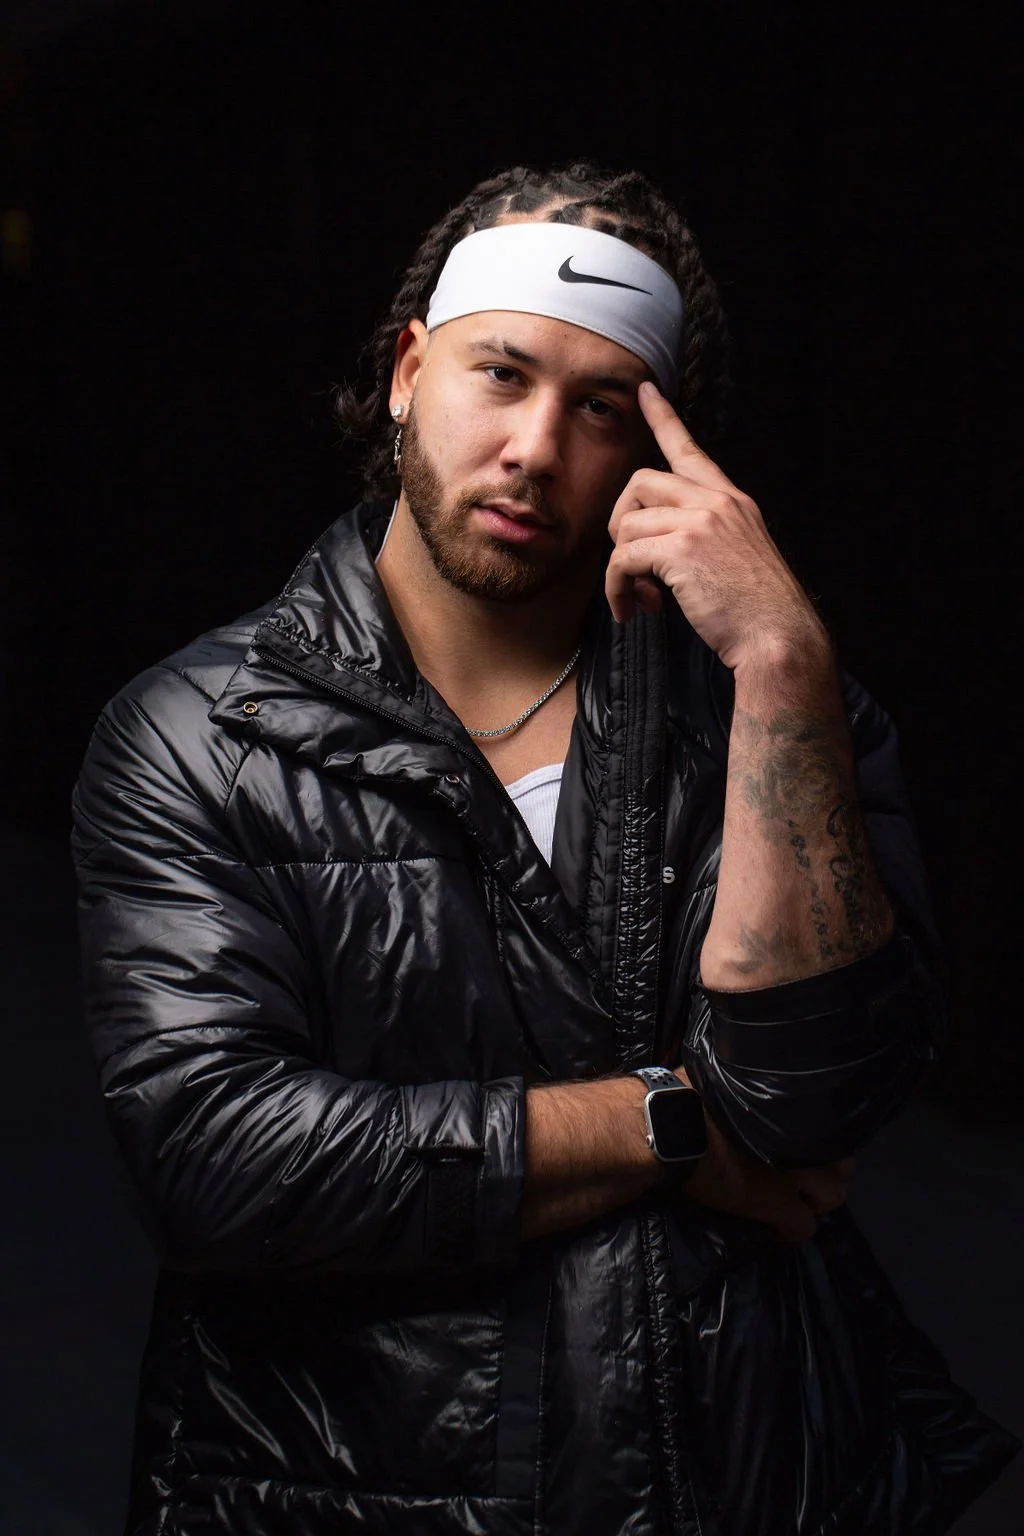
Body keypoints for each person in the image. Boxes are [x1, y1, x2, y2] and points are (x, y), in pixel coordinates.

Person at [73, 162, 1016, 1536]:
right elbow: (227, 1165)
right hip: (349, 1491)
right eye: (500, 376)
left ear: (656, 453)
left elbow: (819, 1115)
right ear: (407, 373)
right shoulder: (197, 734)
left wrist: (779, 664)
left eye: (598, 409)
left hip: (745, 1476)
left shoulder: (778, 710)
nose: (533, 448)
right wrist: (669, 1126)